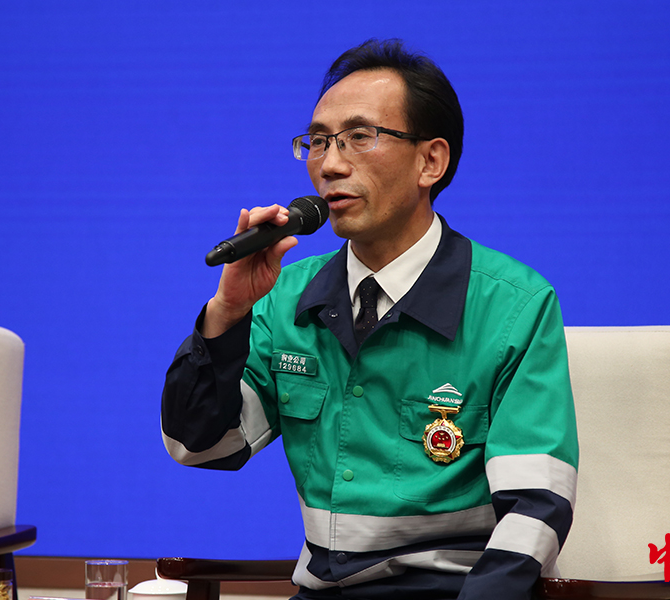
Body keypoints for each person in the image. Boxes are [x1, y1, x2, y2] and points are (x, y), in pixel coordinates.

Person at [161, 39, 578, 600]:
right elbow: (201, 446)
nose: (330, 165)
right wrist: (228, 313)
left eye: (360, 137)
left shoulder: (514, 305)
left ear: (431, 161)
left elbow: (536, 511)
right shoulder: (287, 295)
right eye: (318, 141)